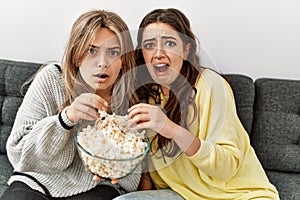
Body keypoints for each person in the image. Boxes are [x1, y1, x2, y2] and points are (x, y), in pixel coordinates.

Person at [114, 8, 280, 200]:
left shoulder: (210, 85)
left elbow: (227, 167)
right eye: (150, 45)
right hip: (182, 195)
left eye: (169, 43)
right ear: (142, 53)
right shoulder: (146, 95)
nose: (158, 53)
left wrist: (169, 128)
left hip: (238, 195)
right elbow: (148, 169)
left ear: (185, 50)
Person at [1, 9, 140, 200]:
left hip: (99, 186)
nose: (102, 63)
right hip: (38, 180)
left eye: (113, 52)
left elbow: (132, 171)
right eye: (92, 50)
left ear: (123, 59)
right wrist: (66, 118)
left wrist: (116, 167)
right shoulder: (52, 79)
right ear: (77, 55)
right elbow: (18, 153)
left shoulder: (131, 95)